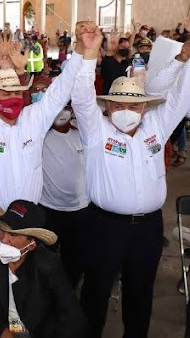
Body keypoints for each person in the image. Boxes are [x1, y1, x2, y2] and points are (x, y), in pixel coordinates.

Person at [72, 28, 190, 337]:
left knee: (140, 297)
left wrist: (185, 59)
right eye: (119, 105)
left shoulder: (156, 127)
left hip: (148, 229)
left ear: (145, 107)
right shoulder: (96, 131)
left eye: (134, 105)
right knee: (95, 295)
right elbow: (82, 99)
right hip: (104, 227)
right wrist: (88, 55)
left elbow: (179, 99)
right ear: (108, 107)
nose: (127, 111)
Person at [0, 31, 98, 242]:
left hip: (28, 224)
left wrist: (81, 49)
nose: (14, 98)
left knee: (26, 275)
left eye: (17, 93)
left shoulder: (34, 119)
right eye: (6, 94)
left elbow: (61, 89)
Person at [0, 200, 88, 338]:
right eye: (2, 230)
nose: (3, 239)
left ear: (32, 244)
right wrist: (0, 330)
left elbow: (72, 316)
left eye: (13, 234)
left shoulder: (48, 265)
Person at [38, 102, 87, 286]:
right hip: (49, 209)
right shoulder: (40, 136)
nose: (61, 112)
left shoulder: (82, 135)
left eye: (66, 106)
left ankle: (67, 297)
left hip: (80, 211)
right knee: (44, 259)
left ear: (72, 110)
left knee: (74, 262)